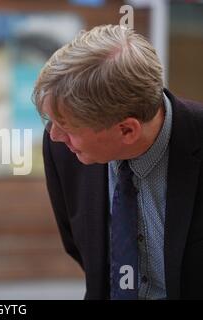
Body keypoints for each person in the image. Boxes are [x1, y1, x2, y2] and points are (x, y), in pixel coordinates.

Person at [33, 24, 203, 299]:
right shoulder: (64, 149)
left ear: (127, 130)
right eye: (50, 120)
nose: (54, 135)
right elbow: (82, 250)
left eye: (68, 127)